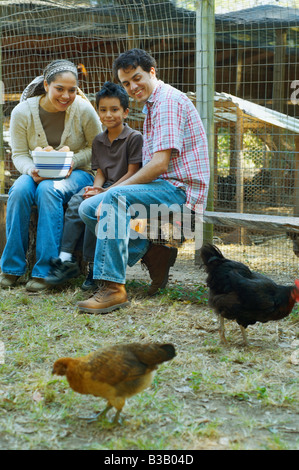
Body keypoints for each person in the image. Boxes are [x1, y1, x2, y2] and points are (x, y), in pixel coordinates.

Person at [77, 48, 210, 314]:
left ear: (152, 72)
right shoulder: (152, 105)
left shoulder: (168, 102)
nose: (132, 87)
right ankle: (149, 250)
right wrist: (103, 192)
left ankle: (113, 287)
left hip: (180, 191)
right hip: (161, 187)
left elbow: (158, 165)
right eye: (126, 83)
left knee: (114, 199)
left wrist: (111, 193)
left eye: (137, 78)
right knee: (88, 208)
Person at [0, 59, 102, 292]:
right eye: (60, 89)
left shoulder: (84, 110)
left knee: (49, 190)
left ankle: (46, 271)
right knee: (19, 190)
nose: (66, 96)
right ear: (46, 85)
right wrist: (30, 171)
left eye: (72, 90)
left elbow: (97, 147)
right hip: (37, 171)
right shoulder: (22, 112)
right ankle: (11, 268)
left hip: (78, 173)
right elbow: (19, 154)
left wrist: (72, 160)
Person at [44, 81, 143, 290]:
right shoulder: (98, 140)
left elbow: (133, 173)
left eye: (114, 110)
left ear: (125, 112)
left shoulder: (134, 138)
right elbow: (100, 173)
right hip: (104, 185)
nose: (109, 115)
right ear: (98, 112)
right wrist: (95, 188)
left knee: (96, 208)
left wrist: (105, 192)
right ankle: (65, 258)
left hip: (125, 188)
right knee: (76, 202)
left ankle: (93, 270)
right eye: (103, 110)